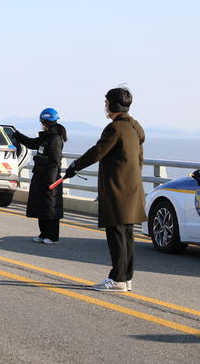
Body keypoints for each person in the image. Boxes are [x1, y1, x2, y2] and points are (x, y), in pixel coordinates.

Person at [65, 87, 146, 292]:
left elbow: (97, 152)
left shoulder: (115, 128)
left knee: (116, 235)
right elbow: (139, 160)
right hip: (133, 188)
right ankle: (126, 278)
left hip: (117, 190)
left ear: (113, 104)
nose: (105, 105)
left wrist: (74, 166)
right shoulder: (135, 128)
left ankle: (117, 279)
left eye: (106, 102)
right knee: (127, 236)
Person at [13, 108, 67, 244]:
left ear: (45, 121)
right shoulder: (47, 136)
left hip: (50, 178)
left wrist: (51, 180)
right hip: (40, 176)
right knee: (42, 206)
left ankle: (53, 237)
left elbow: (55, 161)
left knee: (50, 207)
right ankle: (43, 234)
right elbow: (32, 143)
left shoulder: (54, 138)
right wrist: (17, 135)